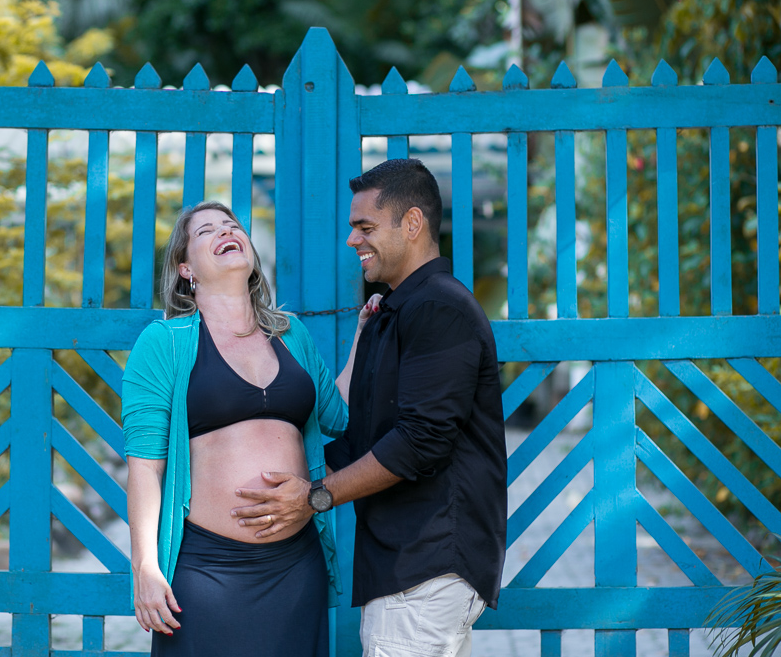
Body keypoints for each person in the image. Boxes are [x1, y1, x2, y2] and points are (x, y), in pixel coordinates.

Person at [231, 159, 507, 657]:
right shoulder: (393, 313)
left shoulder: (441, 308)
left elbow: (420, 442)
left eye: (365, 227)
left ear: (413, 223)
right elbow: (356, 435)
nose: (352, 240)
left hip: (427, 566)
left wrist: (315, 496)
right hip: (407, 567)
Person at [121, 201, 370, 657]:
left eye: (232, 226)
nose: (224, 232)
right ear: (185, 268)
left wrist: (363, 336)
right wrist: (146, 567)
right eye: (206, 232)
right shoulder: (164, 342)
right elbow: (144, 468)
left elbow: (338, 416)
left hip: (296, 566)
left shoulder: (291, 334)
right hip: (206, 571)